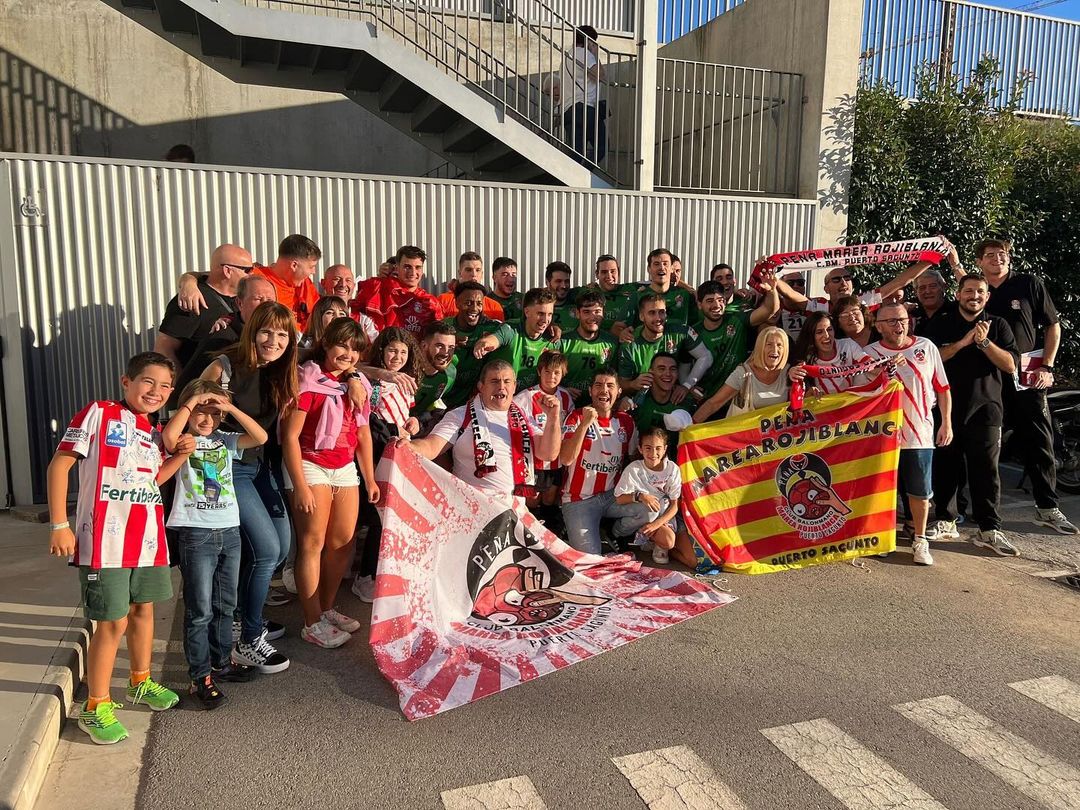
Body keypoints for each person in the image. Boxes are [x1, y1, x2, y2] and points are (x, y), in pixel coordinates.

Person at [47, 352, 186, 744]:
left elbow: (152, 479)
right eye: (147, 382)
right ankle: (95, 705)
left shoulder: (153, 430)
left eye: (164, 387)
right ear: (126, 382)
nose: (155, 391)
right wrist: (60, 524)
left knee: (144, 611)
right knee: (112, 622)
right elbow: (60, 465)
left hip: (147, 541)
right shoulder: (99, 413)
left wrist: (179, 456)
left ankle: (140, 682)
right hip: (103, 542)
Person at [199, 302, 298, 674]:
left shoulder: (280, 370)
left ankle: (244, 616)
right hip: (228, 467)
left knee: (282, 545)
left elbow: (332, 354)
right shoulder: (223, 367)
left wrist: (357, 375)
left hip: (261, 466)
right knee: (266, 549)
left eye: (282, 334)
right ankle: (247, 640)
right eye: (266, 331)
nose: (274, 340)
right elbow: (192, 412)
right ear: (252, 330)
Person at [160, 380, 268, 709]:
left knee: (225, 605)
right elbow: (167, 438)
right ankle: (200, 676)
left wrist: (230, 407)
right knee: (200, 610)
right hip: (196, 532)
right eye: (200, 412)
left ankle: (221, 663)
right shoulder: (182, 439)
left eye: (213, 413)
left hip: (229, 531)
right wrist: (191, 403)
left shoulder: (226, 441)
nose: (207, 419)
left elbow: (261, 437)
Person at [282, 318, 378, 648]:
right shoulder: (308, 380)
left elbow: (363, 432)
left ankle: (325, 609)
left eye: (355, 349)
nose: (348, 353)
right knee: (313, 541)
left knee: (343, 543)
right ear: (326, 344)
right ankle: (311, 622)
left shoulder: (358, 383)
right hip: (311, 466)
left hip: (345, 468)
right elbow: (290, 437)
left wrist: (369, 477)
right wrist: (300, 484)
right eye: (342, 345)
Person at [976, 238, 1077, 534]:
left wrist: (1047, 364)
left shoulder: (1029, 284)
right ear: (980, 262)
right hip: (988, 378)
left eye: (1003, 254)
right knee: (985, 444)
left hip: (1027, 376)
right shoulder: (977, 291)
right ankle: (980, 516)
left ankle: (1047, 506)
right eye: (990, 255)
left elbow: (1052, 325)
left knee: (1039, 441)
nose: (998, 259)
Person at [920, 274, 1019, 556]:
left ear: (987, 297)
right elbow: (930, 357)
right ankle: (946, 520)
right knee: (946, 467)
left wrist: (985, 343)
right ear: (959, 294)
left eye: (979, 292)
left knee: (986, 471)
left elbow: (1011, 365)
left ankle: (990, 529)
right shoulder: (942, 322)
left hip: (986, 409)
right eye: (968, 291)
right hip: (946, 408)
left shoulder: (998, 324)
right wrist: (963, 343)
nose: (973, 296)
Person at [865, 302, 952, 566]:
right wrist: (882, 370)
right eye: (890, 321)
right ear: (878, 326)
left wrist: (946, 422)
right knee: (884, 489)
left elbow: (943, 388)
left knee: (920, 492)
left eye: (902, 319)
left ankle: (920, 539)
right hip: (882, 436)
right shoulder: (869, 354)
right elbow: (862, 393)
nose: (898, 325)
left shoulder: (926, 347)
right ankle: (883, 536)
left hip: (919, 434)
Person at [408, 360, 562, 497]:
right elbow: (432, 446)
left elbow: (548, 454)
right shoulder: (461, 415)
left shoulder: (525, 418)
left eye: (507, 381)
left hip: (512, 509)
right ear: (481, 387)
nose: (501, 387)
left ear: (514, 386)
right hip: (474, 507)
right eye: (494, 381)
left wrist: (553, 417)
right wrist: (408, 447)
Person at [559, 369, 639, 554]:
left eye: (610, 385)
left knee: (648, 510)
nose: (604, 390)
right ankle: (569, 528)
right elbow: (566, 459)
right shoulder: (576, 417)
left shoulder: (626, 422)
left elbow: (634, 459)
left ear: (619, 391)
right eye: (598, 385)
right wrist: (585, 424)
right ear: (590, 390)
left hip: (612, 496)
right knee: (591, 561)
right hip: (579, 500)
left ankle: (614, 532)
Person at [178, 235, 322, 332]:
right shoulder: (253, 277)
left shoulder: (305, 285)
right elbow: (218, 273)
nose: (313, 272)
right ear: (294, 265)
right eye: (311, 267)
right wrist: (188, 280)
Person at [172, 274, 277, 397]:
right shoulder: (223, 337)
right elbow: (195, 384)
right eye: (258, 299)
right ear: (240, 303)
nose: (265, 305)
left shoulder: (278, 332)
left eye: (270, 300)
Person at [155, 244, 250, 371]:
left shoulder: (247, 297)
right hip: (203, 385)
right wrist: (178, 386)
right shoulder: (192, 299)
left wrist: (188, 278)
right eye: (247, 270)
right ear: (227, 271)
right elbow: (164, 348)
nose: (252, 274)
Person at [685, 278, 779, 404]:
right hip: (704, 400)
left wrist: (772, 290)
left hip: (735, 398)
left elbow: (769, 310)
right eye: (709, 301)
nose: (716, 305)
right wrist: (688, 387)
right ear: (699, 304)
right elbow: (683, 365)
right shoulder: (693, 332)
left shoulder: (737, 320)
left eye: (720, 300)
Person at [613, 427, 696, 567]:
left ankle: (658, 544)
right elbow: (619, 498)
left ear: (665, 449)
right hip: (646, 515)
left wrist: (657, 524)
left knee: (692, 562)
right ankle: (622, 533)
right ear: (640, 449)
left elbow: (675, 504)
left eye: (658, 448)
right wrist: (641, 496)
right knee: (669, 540)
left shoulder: (672, 469)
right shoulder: (634, 468)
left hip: (668, 517)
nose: (653, 453)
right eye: (648, 448)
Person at [513, 350, 574, 511]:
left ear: (563, 374)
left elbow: (570, 425)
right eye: (547, 371)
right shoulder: (525, 397)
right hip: (534, 461)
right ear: (539, 371)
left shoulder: (566, 397)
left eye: (556, 373)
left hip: (556, 461)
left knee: (550, 497)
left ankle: (548, 524)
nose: (551, 377)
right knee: (532, 500)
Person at [441, 281, 513, 409]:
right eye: (468, 303)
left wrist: (491, 339)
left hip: (472, 401)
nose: (474, 309)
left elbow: (512, 329)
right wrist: (448, 343)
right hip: (441, 399)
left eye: (479, 304)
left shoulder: (489, 326)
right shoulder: (444, 328)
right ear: (457, 303)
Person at [693, 327, 791, 421]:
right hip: (746, 436)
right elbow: (714, 404)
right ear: (760, 347)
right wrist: (690, 427)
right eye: (769, 344)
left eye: (779, 345)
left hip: (777, 436)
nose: (774, 350)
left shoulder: (788, 372)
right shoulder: (743, 373)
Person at [781, 259, 937, 317]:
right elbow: (790, 294)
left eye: (847, 278)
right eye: (836, 279)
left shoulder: (863, 301)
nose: (843, 282)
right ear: (826, 288)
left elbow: (900, 282)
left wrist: (931, 259)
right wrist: (771, 275)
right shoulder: (821, 306)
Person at [474, 288, 559, 392]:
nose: (545, 320)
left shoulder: (551, 337)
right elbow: (493, 339)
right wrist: (483, 344)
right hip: (498, 396)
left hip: (526, 401)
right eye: (540, 314)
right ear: (527, 312)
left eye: (549, 314)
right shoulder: (511, 329)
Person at [351, 245, 444, 339]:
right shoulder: (377, 288)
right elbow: (352, 313)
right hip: (379, 351)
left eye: (418, 267)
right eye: (407, 267)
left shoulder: (430, 302)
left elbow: (438, 338)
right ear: (397, 267)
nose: (413, 273)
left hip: (414, 353)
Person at [616, 293, 695, 394]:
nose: (658, 318)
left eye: (661, 312)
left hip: (672, 397)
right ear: (641, 316)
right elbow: (621, 383)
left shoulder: (678, 332)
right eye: (652, 313)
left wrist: (687, 386)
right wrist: (633, 384)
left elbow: (705, 356)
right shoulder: (629, 344)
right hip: (641, 402)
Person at [556, 288, 617, 401]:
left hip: (599, 405)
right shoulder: (563, 342)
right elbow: (548, 377)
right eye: (586, 312)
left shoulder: (612, 343)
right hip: (567, 404)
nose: (592, 317)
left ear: (603, 312)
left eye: (597, 311)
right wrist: (562, 390)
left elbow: (616, 379)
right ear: (577, 313)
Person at [624, 352, 688, 458]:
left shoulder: (684, 402)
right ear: (651, 373)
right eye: (661, 368)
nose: (667, 373)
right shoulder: (637, 401)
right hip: (639, 463)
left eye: (672, 369)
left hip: (672, 466)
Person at [790, 311, 873, 394]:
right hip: (822, 406)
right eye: (819, 332)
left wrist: (881, 367)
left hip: (849, 402)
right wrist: (792, 374)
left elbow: (869, 363)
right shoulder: (805, 357)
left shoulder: (847, 345)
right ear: (811, 335)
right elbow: (798, 394)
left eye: (829, 329)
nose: (826, 335)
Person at [556, 25, 605, 163]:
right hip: (584, 107)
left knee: (576, 153)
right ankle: (585, 173)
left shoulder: (567, 57)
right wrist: (595, 54)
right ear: (588, 41)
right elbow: (600, 75)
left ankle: (576, 176)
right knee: (601, 147)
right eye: (593, 41)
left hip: (568, 110)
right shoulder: (584, 54)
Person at [630, 249, 698, 328]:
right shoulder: (637, 296)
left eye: (665, 264)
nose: (661, 267)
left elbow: (700, 325)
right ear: (649, 269)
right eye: (656, 264)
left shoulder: (686, 295)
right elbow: (620, 326)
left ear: (672, 268)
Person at [411, 321, 458, 434]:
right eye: (439, 346)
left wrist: (420, 420)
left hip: (418, 427)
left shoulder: (450, 374)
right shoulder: (405, 365)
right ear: (423, 346)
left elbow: (434, 404)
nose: (446, 353)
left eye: (451, 347)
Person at [436, 252, 506, 320]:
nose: (474, 274)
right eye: (468, 270)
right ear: (460, 273)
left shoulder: (494, 307)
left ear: (482, 274)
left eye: (478, 270)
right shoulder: (443, 301)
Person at [583, 253, 639, 336]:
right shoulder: (588, 292)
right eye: (604, 272)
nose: (609, 276)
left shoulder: (631, 289)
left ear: (618, 272)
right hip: (599, 344)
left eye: (613, 271)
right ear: (597, 274)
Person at [490, 257, 523, 325]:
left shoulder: (525, 300)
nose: (510, 279)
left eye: (513, 274)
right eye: (505, 274)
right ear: (494, 278)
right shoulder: (486, 302)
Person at [546, 261, 577, 330]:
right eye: (558, 281)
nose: (564, 286)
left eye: (567, 281)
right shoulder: (538, 305)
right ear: (547, 282)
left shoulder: (578, 302)